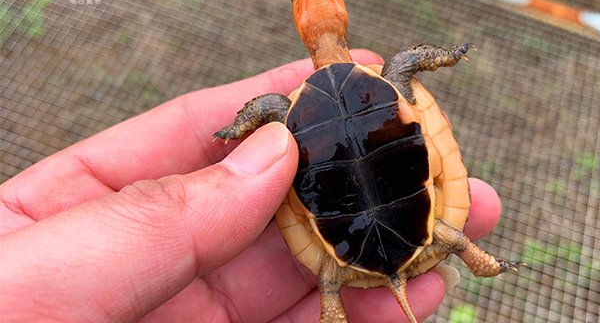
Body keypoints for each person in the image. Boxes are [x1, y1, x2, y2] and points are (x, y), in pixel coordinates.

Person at [0, 50, 501, 322]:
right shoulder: (385, 75)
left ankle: (334, 307)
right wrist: (446, 55)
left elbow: (268, 108)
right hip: (424, 223)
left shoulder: (288, 108)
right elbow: (405, 66)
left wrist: (240, 127)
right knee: (448, 234)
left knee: (334, 273)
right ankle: (481, 261)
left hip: (348, 244)